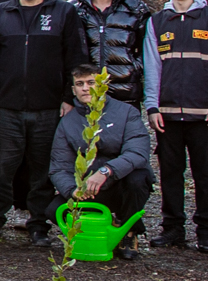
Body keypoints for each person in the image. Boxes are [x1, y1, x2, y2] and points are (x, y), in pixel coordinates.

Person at [0, 0, 93, 244]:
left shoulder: (63, 12)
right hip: (8, 108)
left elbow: (76, 59)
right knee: (1, 168)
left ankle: (38, 224)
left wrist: (68, 97)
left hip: (49, 108)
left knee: (42, 170)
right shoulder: (2, 12)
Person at [142, 0, 208, 252]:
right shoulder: (156, 22)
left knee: (205, 174)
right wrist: (152, 107)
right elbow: (152, 67)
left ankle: (206, 231)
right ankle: (173, 228)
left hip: (204, 114)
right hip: (167, 115)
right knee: (170, 174)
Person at [50, 62, 155, 240]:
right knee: (53, 210)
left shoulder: (127, 112)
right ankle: (106, 229)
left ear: (103, 84)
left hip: (119, 184)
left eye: (91, 83)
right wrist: (72, 190)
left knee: (138, 178)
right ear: (73, 89)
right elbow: (59, 166)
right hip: (88, 190)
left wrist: (106, 171)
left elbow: (138, 153)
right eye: (80, 84)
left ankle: (129, 233)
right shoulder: (67, 123)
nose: (85, 88)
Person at [68, 0, 149, 111]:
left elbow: (147, 47)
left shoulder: (135, 8)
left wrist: (133, 68)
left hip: (125, 93)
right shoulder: (73, 9)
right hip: (86, 94)